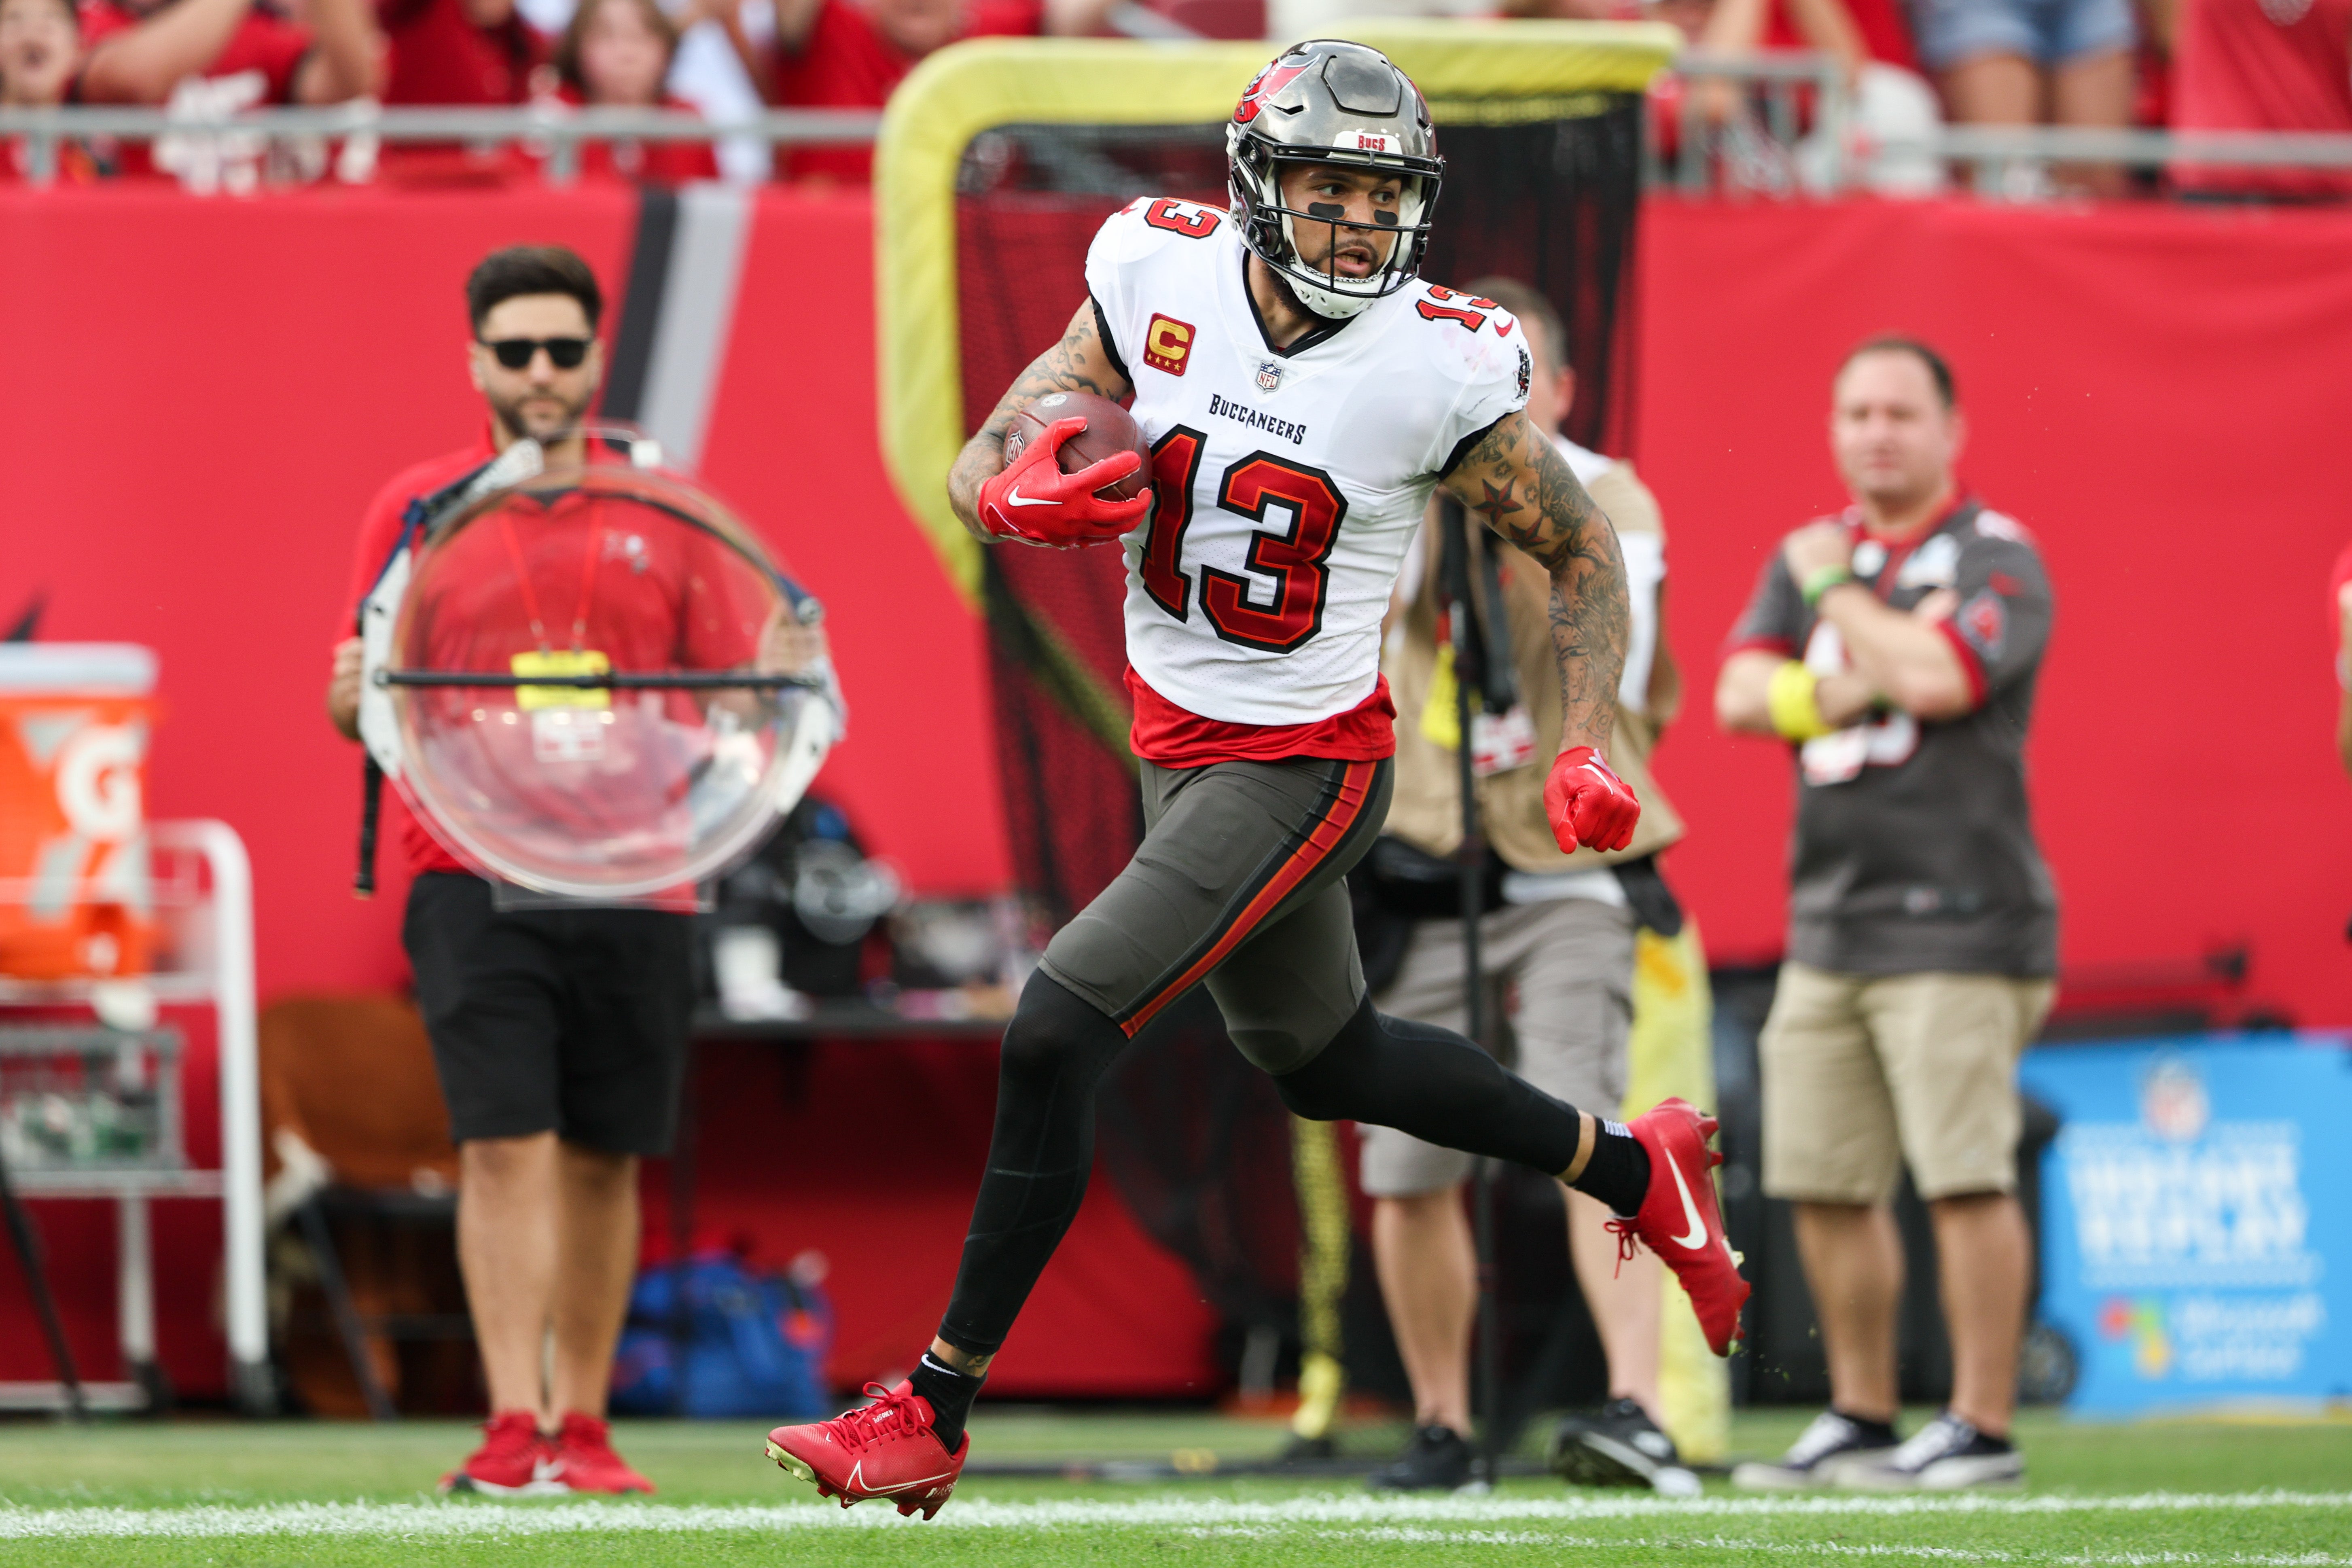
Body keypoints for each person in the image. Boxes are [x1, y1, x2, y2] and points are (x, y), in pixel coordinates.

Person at [762, 39, 1749, 1522]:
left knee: (1051, 1025)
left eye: (1382, 194)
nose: (1358, 222)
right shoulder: (1156, 273)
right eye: (1326, 185)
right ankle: (1632, 1168)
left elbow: (1579, 543)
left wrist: (1586, 739)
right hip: (1180, 746)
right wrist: (1008, 494)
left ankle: (935, 1402)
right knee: (1332, 1063)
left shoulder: (1437, 357)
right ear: (1253, 186)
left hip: (1306, 759)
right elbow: (995, 442)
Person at [324, 247, 687, 1497]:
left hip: (640, 872)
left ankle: (582, 1425)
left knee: (601, 1152)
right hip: (466, 864)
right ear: (475, 359)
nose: (541, 372)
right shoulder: (417, 509)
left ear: (596, 356)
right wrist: (345, 700)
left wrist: (790, 660)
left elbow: (742, 688)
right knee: (500, 1143)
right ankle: (510, 1420)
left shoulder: (667, 505)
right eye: (516, 350)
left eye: (564, 350)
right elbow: (366, 688)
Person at [1359, 275, 1690, 1494]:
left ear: (1555, 389)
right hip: (1425, 855)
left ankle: (1637, 1411)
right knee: (1403, 1161)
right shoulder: (1384, 486)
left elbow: (1621, 648)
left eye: (1514, 372)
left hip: (1568, 860)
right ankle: (1444, 1424)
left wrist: (1510, 509)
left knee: (1588, 1123)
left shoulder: (1611, 495)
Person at [1715, 337, 2056, 1492]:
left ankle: (1979, 1421)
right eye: (1854, 410)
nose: (1874, 432)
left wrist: (1834, 599)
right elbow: (1735, 695)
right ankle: (1859, 1414)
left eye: (1899, 412)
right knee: (1819, 1176)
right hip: (1830, 923)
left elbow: (1937, 682)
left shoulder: (1996, 555)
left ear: (1951, 429)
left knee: (1962, 1174)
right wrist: (1847, 665)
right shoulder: (1812, 553)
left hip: (1961, 923)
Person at [77, 0, 381, 107]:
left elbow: (351, 81)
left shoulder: (254, 31)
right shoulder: (95, 22)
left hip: (246, 236)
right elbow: (135, 79)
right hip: (133, 234)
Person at [545, 0, 720, 183]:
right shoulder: (552, 118)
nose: (627, 53)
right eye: (607, 35)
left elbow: (716, 203)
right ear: (577, 45)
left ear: (666, 47)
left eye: (641, 36)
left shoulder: (687, 125)